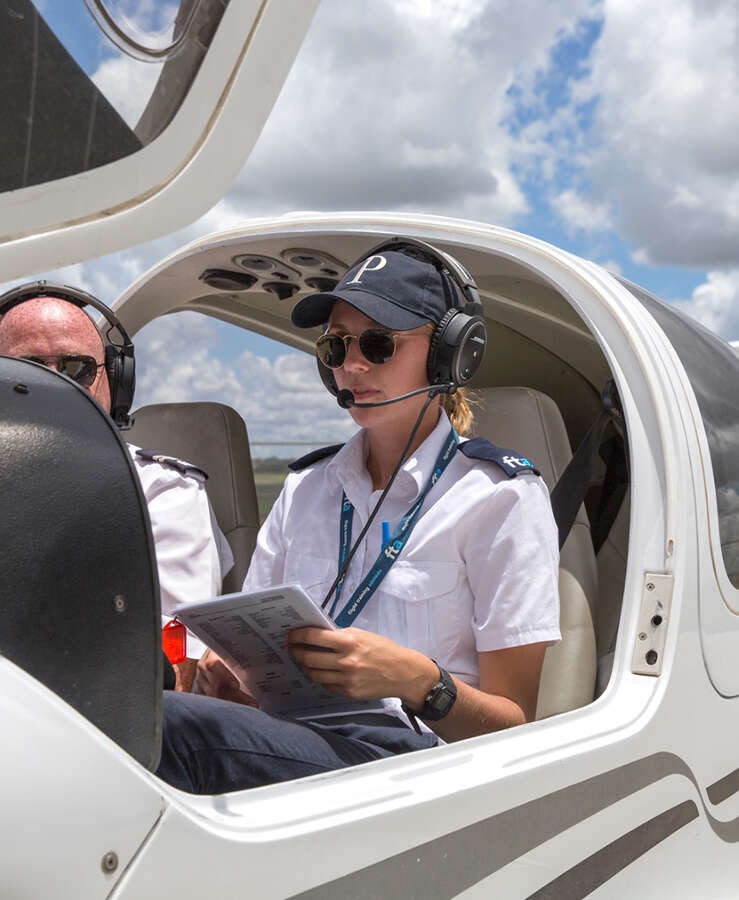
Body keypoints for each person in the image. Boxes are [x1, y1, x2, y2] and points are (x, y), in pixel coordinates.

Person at [155, 241, 561, 793]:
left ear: (448, 354)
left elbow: (515, 723)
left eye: (378, 343)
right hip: (298, 737)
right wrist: (233, 680)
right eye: (336, 346)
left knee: (168, 728)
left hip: (418, 768)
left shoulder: (499, 498)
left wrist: (418, 680)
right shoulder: (305, 488)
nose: (352, 364)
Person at [0, 286, 233, 691]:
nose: (57, 386)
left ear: (114, 380)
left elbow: (174, 672)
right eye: (30, 372)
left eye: (77, 369)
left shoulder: (162, 492)